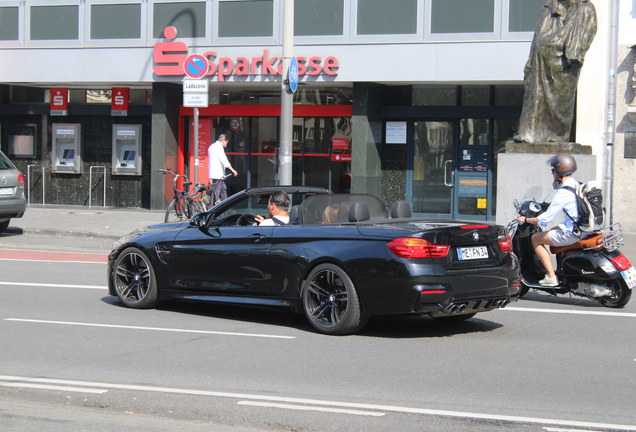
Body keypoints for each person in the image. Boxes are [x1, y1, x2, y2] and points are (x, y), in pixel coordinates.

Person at [514, 0, 597, 144]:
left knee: (561, 101)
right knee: (535, 97)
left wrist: (571, 51)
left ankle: (558, 135)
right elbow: (537, 38)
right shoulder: (548, 8)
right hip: (539, 64)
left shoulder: (585, 8)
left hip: (563, 64)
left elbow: (587, 32)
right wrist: (531, 61)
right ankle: (529, 133)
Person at [516, 154, 581, 286]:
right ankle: (560, 270)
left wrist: (526, 219)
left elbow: (544, 219)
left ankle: (551, 277)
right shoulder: (577, 185)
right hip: (581, 228)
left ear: (559, 171)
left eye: (553, 170)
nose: (552, 173)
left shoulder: (563, 192)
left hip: (573, 232)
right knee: (553, 230)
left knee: (535, 238)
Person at [208, 134, 238, 202]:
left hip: (214, 173)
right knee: (217, 191)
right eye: (227, 142)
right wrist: (233, 170)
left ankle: (225, 205)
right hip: (218, 173)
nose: (227, 144)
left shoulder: (211, 146)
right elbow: (224, 160)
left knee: (223, 189)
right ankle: (211, 208)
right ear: (224, 141)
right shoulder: (218, 148)